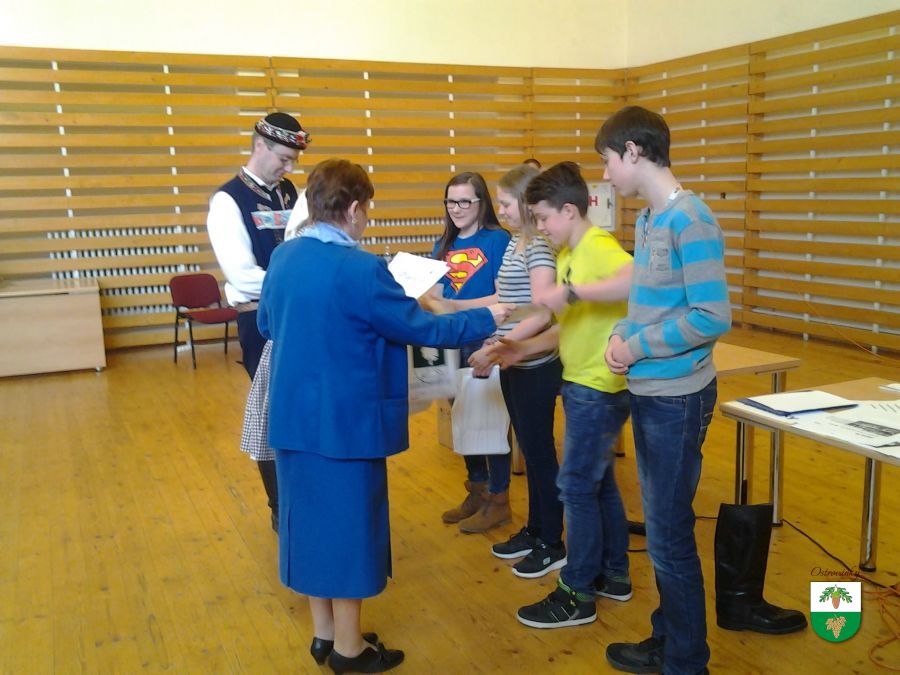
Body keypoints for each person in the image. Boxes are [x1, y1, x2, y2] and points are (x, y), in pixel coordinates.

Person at [258, 159, 510, 672]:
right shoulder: (361, 269)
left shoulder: (284, 257)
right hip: (345, 424)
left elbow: (267, 323)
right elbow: (424, 329)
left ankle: (324, 634)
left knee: (308, 525)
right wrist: (489, 317)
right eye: (367, 209)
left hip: (291, 416)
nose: (366, 219)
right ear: (353, 208)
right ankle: (350, 650)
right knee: (350, 530)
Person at [598, 106, 731, 675]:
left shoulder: (690, 219)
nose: (605, 174)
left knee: (669, 536)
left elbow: (711, 316)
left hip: (678, 399)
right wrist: (620, 334)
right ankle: (669, 637)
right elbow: (646, 306)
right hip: (653, 392)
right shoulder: (651, 219)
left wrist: (638, 347)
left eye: (607, 159)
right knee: (661, 532)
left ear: (633, 151)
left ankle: (686, 661)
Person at [491, 162, 636, 629]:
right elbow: (565, 327)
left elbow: (636, 279)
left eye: (544, 218)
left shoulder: (597, 246)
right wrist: (522, 347)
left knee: (574, 488)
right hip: (582, 383)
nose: (540, 227)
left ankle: (576, 592)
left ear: (569, 210)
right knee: (599, 484)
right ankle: (614, 574)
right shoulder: (569, 251)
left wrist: (570, 293)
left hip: (597, 388)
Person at [207, 111, 310, 531]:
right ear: (259, 146)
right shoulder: (228, 200)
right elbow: (241, 275)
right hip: (261, 321)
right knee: (270, 412)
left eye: (294, 161)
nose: (289, 168)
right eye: (284, 158)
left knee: (301, 409)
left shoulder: (290, 193)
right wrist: (303, 281)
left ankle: (302, 497)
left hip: (298, 317)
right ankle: (279, 507)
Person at [466, 165, 566, 578]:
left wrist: (501, 346)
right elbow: (505, 298)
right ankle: (535, 528)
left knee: (540, 455)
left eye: (506, 203)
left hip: (534, 365)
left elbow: (543, 312)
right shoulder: (514, 243)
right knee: (529, 447)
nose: (500, 209)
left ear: (526, 204)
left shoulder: (538, 248)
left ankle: (552, 541)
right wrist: (460, 309)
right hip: (512, 361)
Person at [430, 172, 513, 534]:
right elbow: (433, 295)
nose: (457, 208)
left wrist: (455, 307)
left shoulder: (498, 240)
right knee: (463, 419)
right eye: (451, 201)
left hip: (484, 340)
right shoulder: (444, 243)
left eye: (465, 201)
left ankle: (499, 498)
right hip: (451, 340)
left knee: (489, 422)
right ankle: (477, 489)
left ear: (482, 202)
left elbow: (503, 296)